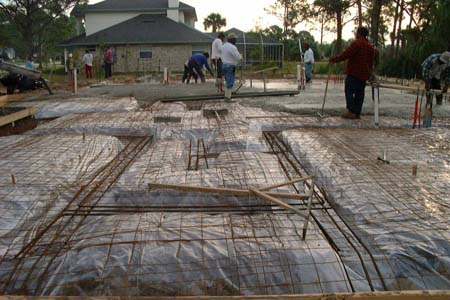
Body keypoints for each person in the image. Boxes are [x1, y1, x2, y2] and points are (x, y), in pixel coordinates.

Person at [330, 27, 377, 119]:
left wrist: (334, 59)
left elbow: (346, 54)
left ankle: (351, 111)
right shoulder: (370, 47)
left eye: (356, 33)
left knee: (349, 92)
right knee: (360, 93)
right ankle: (357, 112)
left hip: (354, 73)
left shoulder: (357, 44)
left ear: (359, 33)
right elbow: (371, 62)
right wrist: (369, 73)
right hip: (364, 74)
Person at [222, 33, 242, 102]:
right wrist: (241, 57)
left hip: (224, 65)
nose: (236, 40)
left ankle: (226, 96)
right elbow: (238, 57)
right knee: (230, 82)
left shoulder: (223, 46)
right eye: (235, 39)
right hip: (230, 66)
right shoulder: (233, 47)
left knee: (227, 81)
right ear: (232, 40)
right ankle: (228, 98)